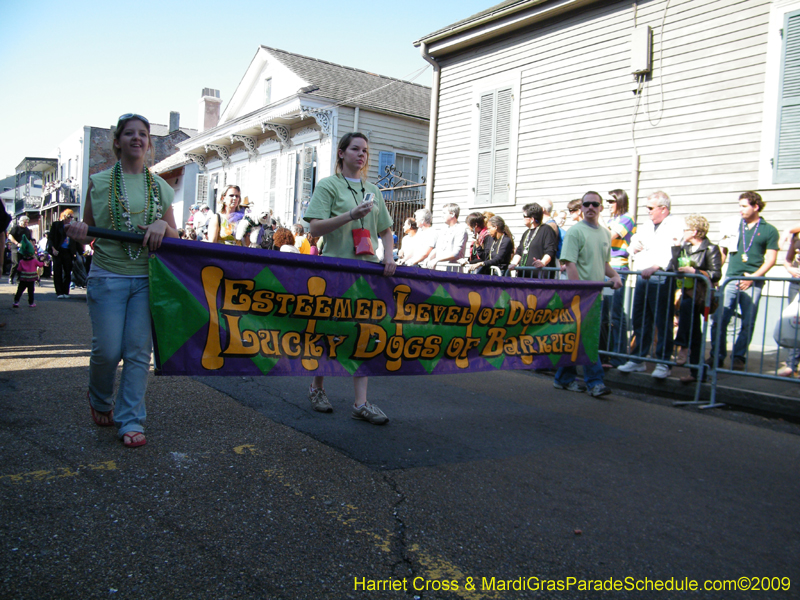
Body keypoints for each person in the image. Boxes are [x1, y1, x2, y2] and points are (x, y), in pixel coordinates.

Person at [66, 113, 179, 448]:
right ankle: (100, 400)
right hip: (107, 276)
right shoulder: (99, 183)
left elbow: (175, 235)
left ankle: (130, 419)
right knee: (107, 350)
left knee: (137, 351)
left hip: (147, 278)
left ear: (148, 143)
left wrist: (162, 227)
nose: (137, 138)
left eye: (142, 134)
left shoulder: (160, 186)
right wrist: (77, 232)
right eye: (129, 133)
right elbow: (85, 233)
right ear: (117, 141)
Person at [303, 132, 396, 425]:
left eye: (365, 150)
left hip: (366, 272)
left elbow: (385, 230)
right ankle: (317, 388)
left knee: (364, 332)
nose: (362, 154)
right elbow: (315, 229)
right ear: (342, 153)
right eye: (355, 149)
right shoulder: (328, 186)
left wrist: (389, 256)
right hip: (335, 271)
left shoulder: (374, 190)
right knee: (329, 330)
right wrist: (350, 215)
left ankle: (361, 403)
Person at [553, 192, 622, 397]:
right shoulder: (576, 232)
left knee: (576, 339)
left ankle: (563, 378)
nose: (590, 207)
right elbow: (569, 262)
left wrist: (615, 276)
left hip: (595, 296)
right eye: (586, 204)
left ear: (600, 208)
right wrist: (580, 292)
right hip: (580, 297)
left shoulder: (604, 233)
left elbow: (604, 263)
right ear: (581, 208)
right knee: (588, 340)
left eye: (595, 204)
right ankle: (595, 382)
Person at [709, 191, 779, 370]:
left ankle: (738, 356)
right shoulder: (733, 226)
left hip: (753, 282)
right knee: (720, 318)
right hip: (731, 279)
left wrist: (754, 277)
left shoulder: (769, 230)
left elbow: (771, 259)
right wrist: (715, 274)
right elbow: (722, 252)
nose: (740, 210)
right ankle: (717, 355)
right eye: (739, 206)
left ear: (755, 206)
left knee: (748, 322)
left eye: (744, 206)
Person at [617, 191, 683, 379]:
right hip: (642, 275)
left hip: (661, 277)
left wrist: (656, 266)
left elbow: (673, 250)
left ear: (663, 209)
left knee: (662, 320)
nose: (648, 212)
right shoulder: (646, 225)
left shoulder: (676, 224)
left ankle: (663, 362)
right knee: (641, 317)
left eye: (651, 208)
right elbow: (633, 244)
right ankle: (638, 359)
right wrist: (633, 248)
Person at [670, 215, 722, 383]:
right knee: (695, 332)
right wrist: (676, 248)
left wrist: (695, 272)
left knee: (686, 308)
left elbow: (716, 273)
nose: (682, 232)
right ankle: (696, 374)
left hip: (702, 295)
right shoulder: (685, 247)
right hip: (688, 291)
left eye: (685, 229)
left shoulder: (710, 248)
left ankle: (682, 346)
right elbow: (673, 267)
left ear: (694, 231)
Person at [602, 189, 636, 366]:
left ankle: (619, 356)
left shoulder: (627, 219)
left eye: (611, 201)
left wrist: (599, 220)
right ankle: (607, 354)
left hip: (619, 268)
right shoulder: (609, 220)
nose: (608, 205)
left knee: (616, 315)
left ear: (620, 202)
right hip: (606, 268)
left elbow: (608, 236)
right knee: (605, 315)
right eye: (606, 201)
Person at [507, 203, 558, 279]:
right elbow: (519, 251)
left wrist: (542, 262)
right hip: (524, 275)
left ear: (532, 219)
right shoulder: (526, 233)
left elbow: (550, 251)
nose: (523, 218)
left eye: (524, 216)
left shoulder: (547, 230)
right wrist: (513, 263)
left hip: (540, 277)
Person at [779, 231, 800, 377]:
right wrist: (790, 269)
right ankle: (791, 364)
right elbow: (787, 260)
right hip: (796, 282)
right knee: (795, 323)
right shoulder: (796, 236)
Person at [48, 209, 81, 299]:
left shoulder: (73, 227)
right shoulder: (57, 225)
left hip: (68, 251)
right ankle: (59, 292)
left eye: (72, 216)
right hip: (58, 250)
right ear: (64, 216)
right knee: (57, 271)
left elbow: (76, 240)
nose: (71, 218)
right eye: (69, 216)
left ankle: (66, 291)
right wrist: (53, 249)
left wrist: (81, 252)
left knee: (67, 272)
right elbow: (50, 238)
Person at [424, 203, 468, 270]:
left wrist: (437, 260)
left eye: (444, 213)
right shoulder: (443, 229)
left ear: (452, 214)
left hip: (452, 271)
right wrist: (429, 258)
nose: (442, 216)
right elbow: (437, 248)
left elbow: (456, 253)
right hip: (438, 269)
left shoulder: (460, 230)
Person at [11, 237, 44, 308]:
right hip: (31, 279)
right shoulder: (34, 261)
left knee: (20, 291)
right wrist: (43, 262)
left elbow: (19, 269)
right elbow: (40, 264)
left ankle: (16, 302)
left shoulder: (21, 261)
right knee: (31, 292)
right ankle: (31, 303)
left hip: (23, 279)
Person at [8, 215, 33, 285]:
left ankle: (19, 278)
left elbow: (29, 240)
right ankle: (11, 277)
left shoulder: (27, 230)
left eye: (27, 222)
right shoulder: (16, 228)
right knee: (16, 263)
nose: (26, 224)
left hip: (24, 249)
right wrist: (17, 243)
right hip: (16, 247)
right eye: (25, 222)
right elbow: (10, 236)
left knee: (22, 263)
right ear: (21, 222)